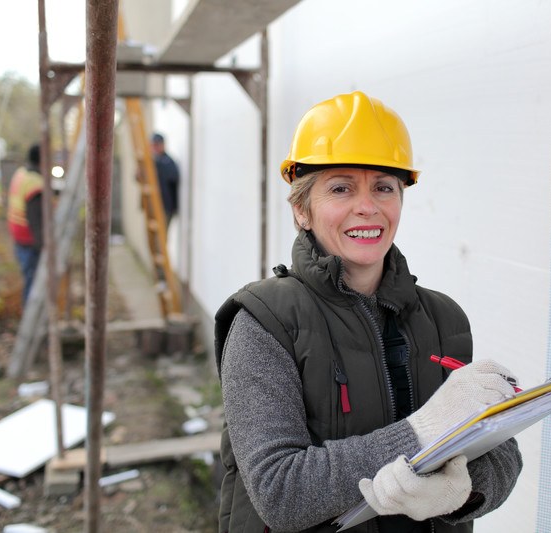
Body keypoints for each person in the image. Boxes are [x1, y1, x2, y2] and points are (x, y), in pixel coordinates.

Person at [214, 91, 523, 533]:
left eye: (383, 187)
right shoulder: (265, 321)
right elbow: (279, 492)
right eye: (341, 188)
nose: (368, 206)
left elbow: (501, 457)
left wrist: (461, 493)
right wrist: (424, 431)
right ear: (302, 209)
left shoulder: (444, 319)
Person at [7, 143, 44, 304]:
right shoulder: (35, 184)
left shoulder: (21, 173)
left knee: (29, 277)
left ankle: (28, 316)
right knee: (34, 283)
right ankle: (30, 321)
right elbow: (36, 218)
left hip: (18, 236)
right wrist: (42, 245)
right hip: (30, 240)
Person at [151, 132, 180, 226]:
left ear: (163, 145)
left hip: (165, 207)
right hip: (154, 205)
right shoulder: (151, 161)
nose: (154, 148)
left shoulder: (167, 161)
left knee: (161, 236)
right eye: (153, 145)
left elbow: (173, 177)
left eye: (157, 145)